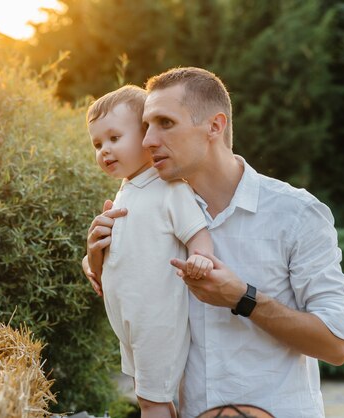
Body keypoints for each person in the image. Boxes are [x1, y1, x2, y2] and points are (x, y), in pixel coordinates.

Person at [84, 68, 344, 418]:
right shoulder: (151, 209)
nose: (148, 140)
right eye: (146, 125)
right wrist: (96, 257)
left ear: (215, 126)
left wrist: (244, 299)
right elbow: (121, 286)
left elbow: (337, 344)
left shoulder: (297, 213)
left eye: (165, 123)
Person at [85, 85, 215, 418]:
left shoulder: (168, 189)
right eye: (98, 144)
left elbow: (197, 233)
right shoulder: (127, 190)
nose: (105, 151)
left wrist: (200, 256)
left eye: (115, 138)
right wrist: (92, 259)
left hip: (156, 320)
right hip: (129, 318)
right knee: (151, 398)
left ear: (145, 136)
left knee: (151, 401)